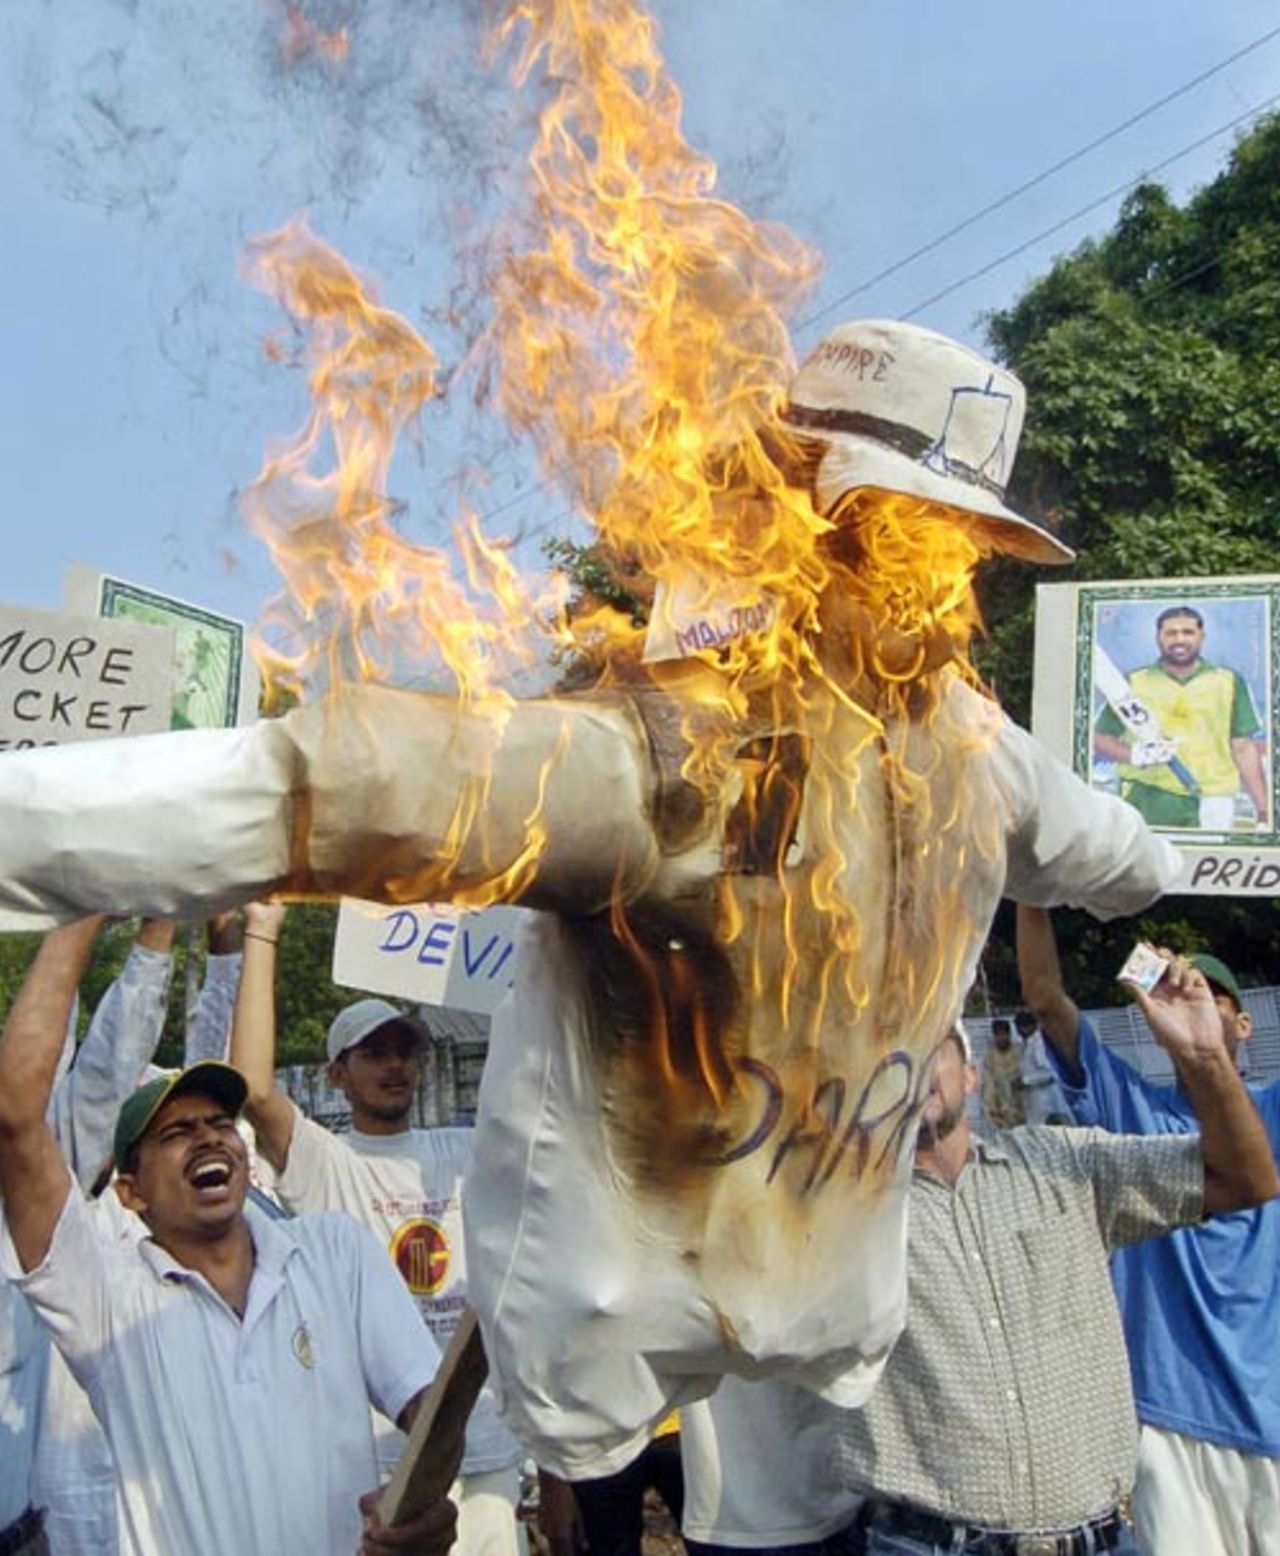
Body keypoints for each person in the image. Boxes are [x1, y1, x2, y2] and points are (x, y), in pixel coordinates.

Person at [0, 319, 1183, 1479]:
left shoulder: (789, 759)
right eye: (911, 538)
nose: (935, 581)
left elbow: (290, 792)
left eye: (941, 544)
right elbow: (1127, 857)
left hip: (666, 1340)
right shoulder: (957, 752)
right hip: (772, 1329)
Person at [681, 977, 1279, 1556]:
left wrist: (1205, 1060)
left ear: (970, 1076)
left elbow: (1246, 1178)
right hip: (921, 1542)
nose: (909, 1063)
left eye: (928, 1041)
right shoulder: (836, 1214)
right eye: (888, 1052)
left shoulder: (1067, 1164)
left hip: (1099, 1538)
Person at [0, 918, 459, 1556]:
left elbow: (429, 1406)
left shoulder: (334, 1252)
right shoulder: (105, 1297)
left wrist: (418, 1502)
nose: (211, 1137)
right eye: (175, 1134)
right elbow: (17, 1115)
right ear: (130, 1191)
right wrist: (84, 897)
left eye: (220, 1123)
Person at [229, 901, 524, 1556]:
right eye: (374, 1054)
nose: (395, 1067)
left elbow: (534, 1083)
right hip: (387, 1456)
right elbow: (250, 1086)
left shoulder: (462, 1152)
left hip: (487, 1448)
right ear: (337, 1073)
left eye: (405, 1054)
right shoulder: (325, 1163)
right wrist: (262, 930)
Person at [1018, 904, 1280, 1556]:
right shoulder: (1134, 1110)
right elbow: (1046, 999)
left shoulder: (1274, 1110)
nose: (1198, 1003)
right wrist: (1034, 882)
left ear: (1245, 1025)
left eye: (1217, 999)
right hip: (1170, 1413)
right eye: (1190, 991)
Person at [1093, 604, 1270, 831]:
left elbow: (1243, 748)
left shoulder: (1228, 682)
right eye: (1171, 633)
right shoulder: (1136, 681)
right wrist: (1134, 755)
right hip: (1145, 795)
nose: (1179, 639)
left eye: (1188, 632)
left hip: (1212, 800)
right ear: (1158, 637)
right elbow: (1097, 739)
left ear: (1201, 636)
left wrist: (1263, 811)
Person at [1014, 1007, 1067, 1125]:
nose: (1019, 1031)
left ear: (1029, 1026)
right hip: (1034, 1100)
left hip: (1045, 1101)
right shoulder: (1028, 1043)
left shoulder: (1039, 1043)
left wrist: (1025, 1081)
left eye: (1021, 1027)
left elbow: (1049, 1073)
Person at [978, 1016, 1024, 1129]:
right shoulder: (990, 1056)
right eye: (998, 1035)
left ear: (1009, 1034)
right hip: (1001, 1109)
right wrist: (992, 1107)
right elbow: (988, 1083)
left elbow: (1026, 1076)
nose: (1001, 1038)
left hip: (1024, 1105)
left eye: (1004, 1034)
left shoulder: (1020, 1051)